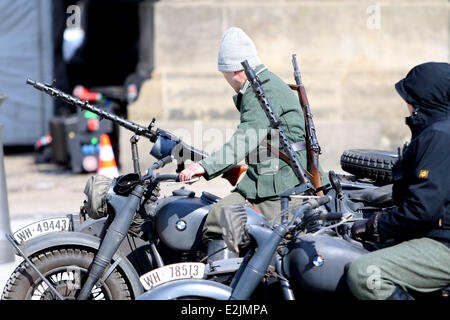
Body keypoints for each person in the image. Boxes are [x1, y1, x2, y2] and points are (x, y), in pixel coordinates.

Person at [179, 27, 327, 260]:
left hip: (282, 187)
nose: (225, 79)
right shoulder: (266, 82)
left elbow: (247, 136)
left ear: (234, 71)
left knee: (219, 219)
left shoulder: (260, 90)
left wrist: (205, 166)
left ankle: (227, 283)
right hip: (277, 179)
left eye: (224, 73)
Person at [347, 62, 450, 300]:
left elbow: (423, 209)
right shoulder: (437, 130)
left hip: (443, 242)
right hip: (437, 234)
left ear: (422, 101)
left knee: (364, 273)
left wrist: (377, 225)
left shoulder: (439, 136)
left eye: (409, 97)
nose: (406, 104)